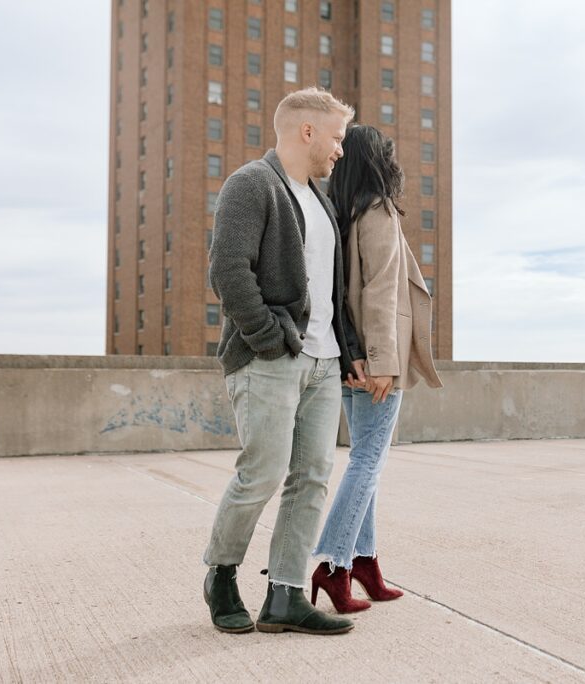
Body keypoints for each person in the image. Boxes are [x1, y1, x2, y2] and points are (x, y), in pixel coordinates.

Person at [202, 87, 364, 636]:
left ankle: (286, 596)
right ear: (308, 131)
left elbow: (330, 291)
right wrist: (271, 338)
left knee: (312, 477)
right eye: (337, 137)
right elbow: (228, 270)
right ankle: (221, 576)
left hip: (323, 361)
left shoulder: (320, 201)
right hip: (271, 358)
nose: (341, 150)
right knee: (263, 473)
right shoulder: (252, 184)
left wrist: (345, 352)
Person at [310, 125, 443, 613]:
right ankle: (333, 565)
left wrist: (352, 356)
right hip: (375, 361)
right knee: (367, 461)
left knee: (366, 461)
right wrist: (385, 362)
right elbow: (382, 291)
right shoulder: (378, 210)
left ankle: (364, 561)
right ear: (378, 162)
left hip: (348, 357)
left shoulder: (336, 213)